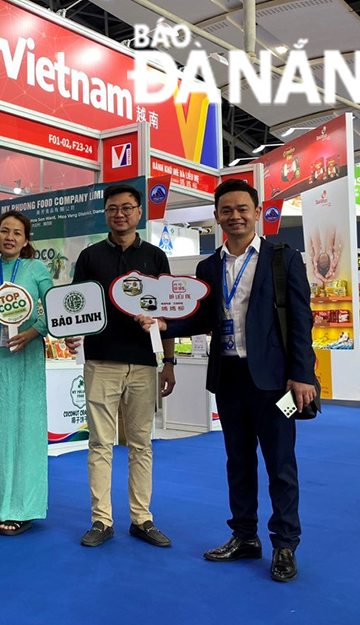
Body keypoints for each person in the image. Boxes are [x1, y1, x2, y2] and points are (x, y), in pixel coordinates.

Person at [139, 179, 315, 582]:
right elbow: (202, 318)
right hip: (229, 376)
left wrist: (302, 374)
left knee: (281, 464)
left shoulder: (282, 257)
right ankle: (245, 536)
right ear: (216, 216)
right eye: (226, 210)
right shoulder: (208, 267)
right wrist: (167, 322)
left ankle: (285, 544)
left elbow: (302, 320)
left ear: (256, 212)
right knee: (237, 461)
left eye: (242, 209)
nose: (234, 216)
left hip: (274, 381)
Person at [65, 184, 177, 549]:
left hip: (144, 364)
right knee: (100, 443)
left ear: (139, 212)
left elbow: (168, 314)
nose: (120, 214)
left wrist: (169, 362)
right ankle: (102, 519)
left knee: (141, 444)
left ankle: (142, 519)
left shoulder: (156, 257)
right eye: (113, 208)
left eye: (127, 208)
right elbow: (74, 305)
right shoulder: (90, 255)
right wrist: (71, 333)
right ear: (106, 213)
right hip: (101, 361)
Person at [0, 211, 53, 536]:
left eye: (17, 233)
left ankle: (23, 508)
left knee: (25, 432)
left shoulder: (37, 269)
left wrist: (34, 332)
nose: (10, 237)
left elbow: (53, 309)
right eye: (5, 231)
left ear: (26, 239)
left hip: (26, 360)